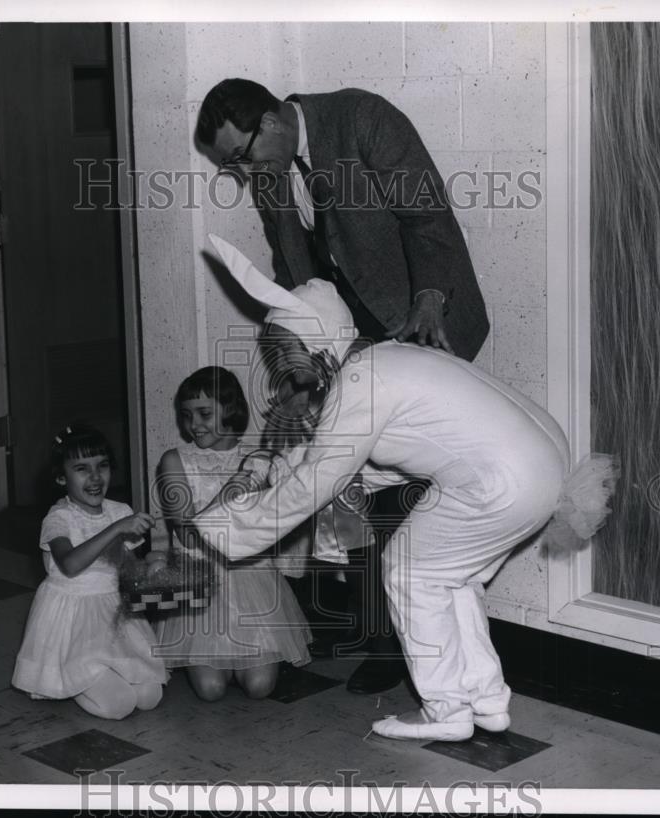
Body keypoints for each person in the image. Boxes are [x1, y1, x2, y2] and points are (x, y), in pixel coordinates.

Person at [191, 236, 618, 741]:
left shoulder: (360, 383)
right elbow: (366, 465)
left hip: (503, 480)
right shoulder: (382, 361)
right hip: (541, 467)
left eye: (285, 353)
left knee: (408, 570)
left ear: (314, 340)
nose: (284, 369)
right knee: (450, 578)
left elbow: (316, 482)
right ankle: (487, 699)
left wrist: (219, 525)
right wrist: (269, 470)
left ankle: (445, 711)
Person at [196, 78, 491, 694]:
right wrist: (303, 362)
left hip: (416, 324)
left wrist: (431, 299)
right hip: (344, 344)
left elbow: (427, 216)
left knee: (403, 496)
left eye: (239, 158)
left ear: (273, 122)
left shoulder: (363, 120)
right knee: (344, 483)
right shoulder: (270, 169)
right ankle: (367, 630)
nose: (242, 173)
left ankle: (408, 647)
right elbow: (288, 266)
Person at [151, 366, 311, 702]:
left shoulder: (257, 459)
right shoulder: (174, 461)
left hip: (249, 576)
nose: (194, 425)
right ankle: (217, 657)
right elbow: (187, 535)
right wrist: (224, 497)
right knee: (211, 691)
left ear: (230, 409)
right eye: (186, 415)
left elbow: (274, 528)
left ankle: (243, 656)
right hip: (199, 574)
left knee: (259, 688)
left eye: (205, 414)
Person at [12, 424, 168, 720]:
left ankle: (105, 671)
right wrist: (115, 529)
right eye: (82, 469)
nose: (95, 477)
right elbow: (70, 564)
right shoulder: (58, 518)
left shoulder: (119, 511)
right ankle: (73, 678)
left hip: (112, 611)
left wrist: (152, 569)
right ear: (61, 477)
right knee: (119, 705)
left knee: (150, 696)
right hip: (73, 618)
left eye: (103, 466)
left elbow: (127, 566)